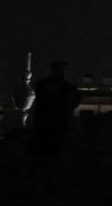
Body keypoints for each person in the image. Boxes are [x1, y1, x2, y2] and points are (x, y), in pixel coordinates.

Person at [29, 59, 79, 191]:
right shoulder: (64, 88)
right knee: (52, 158)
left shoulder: (47, 86)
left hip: (50, 127)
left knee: (48, 159)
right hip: (54, 127)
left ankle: (47, 185)